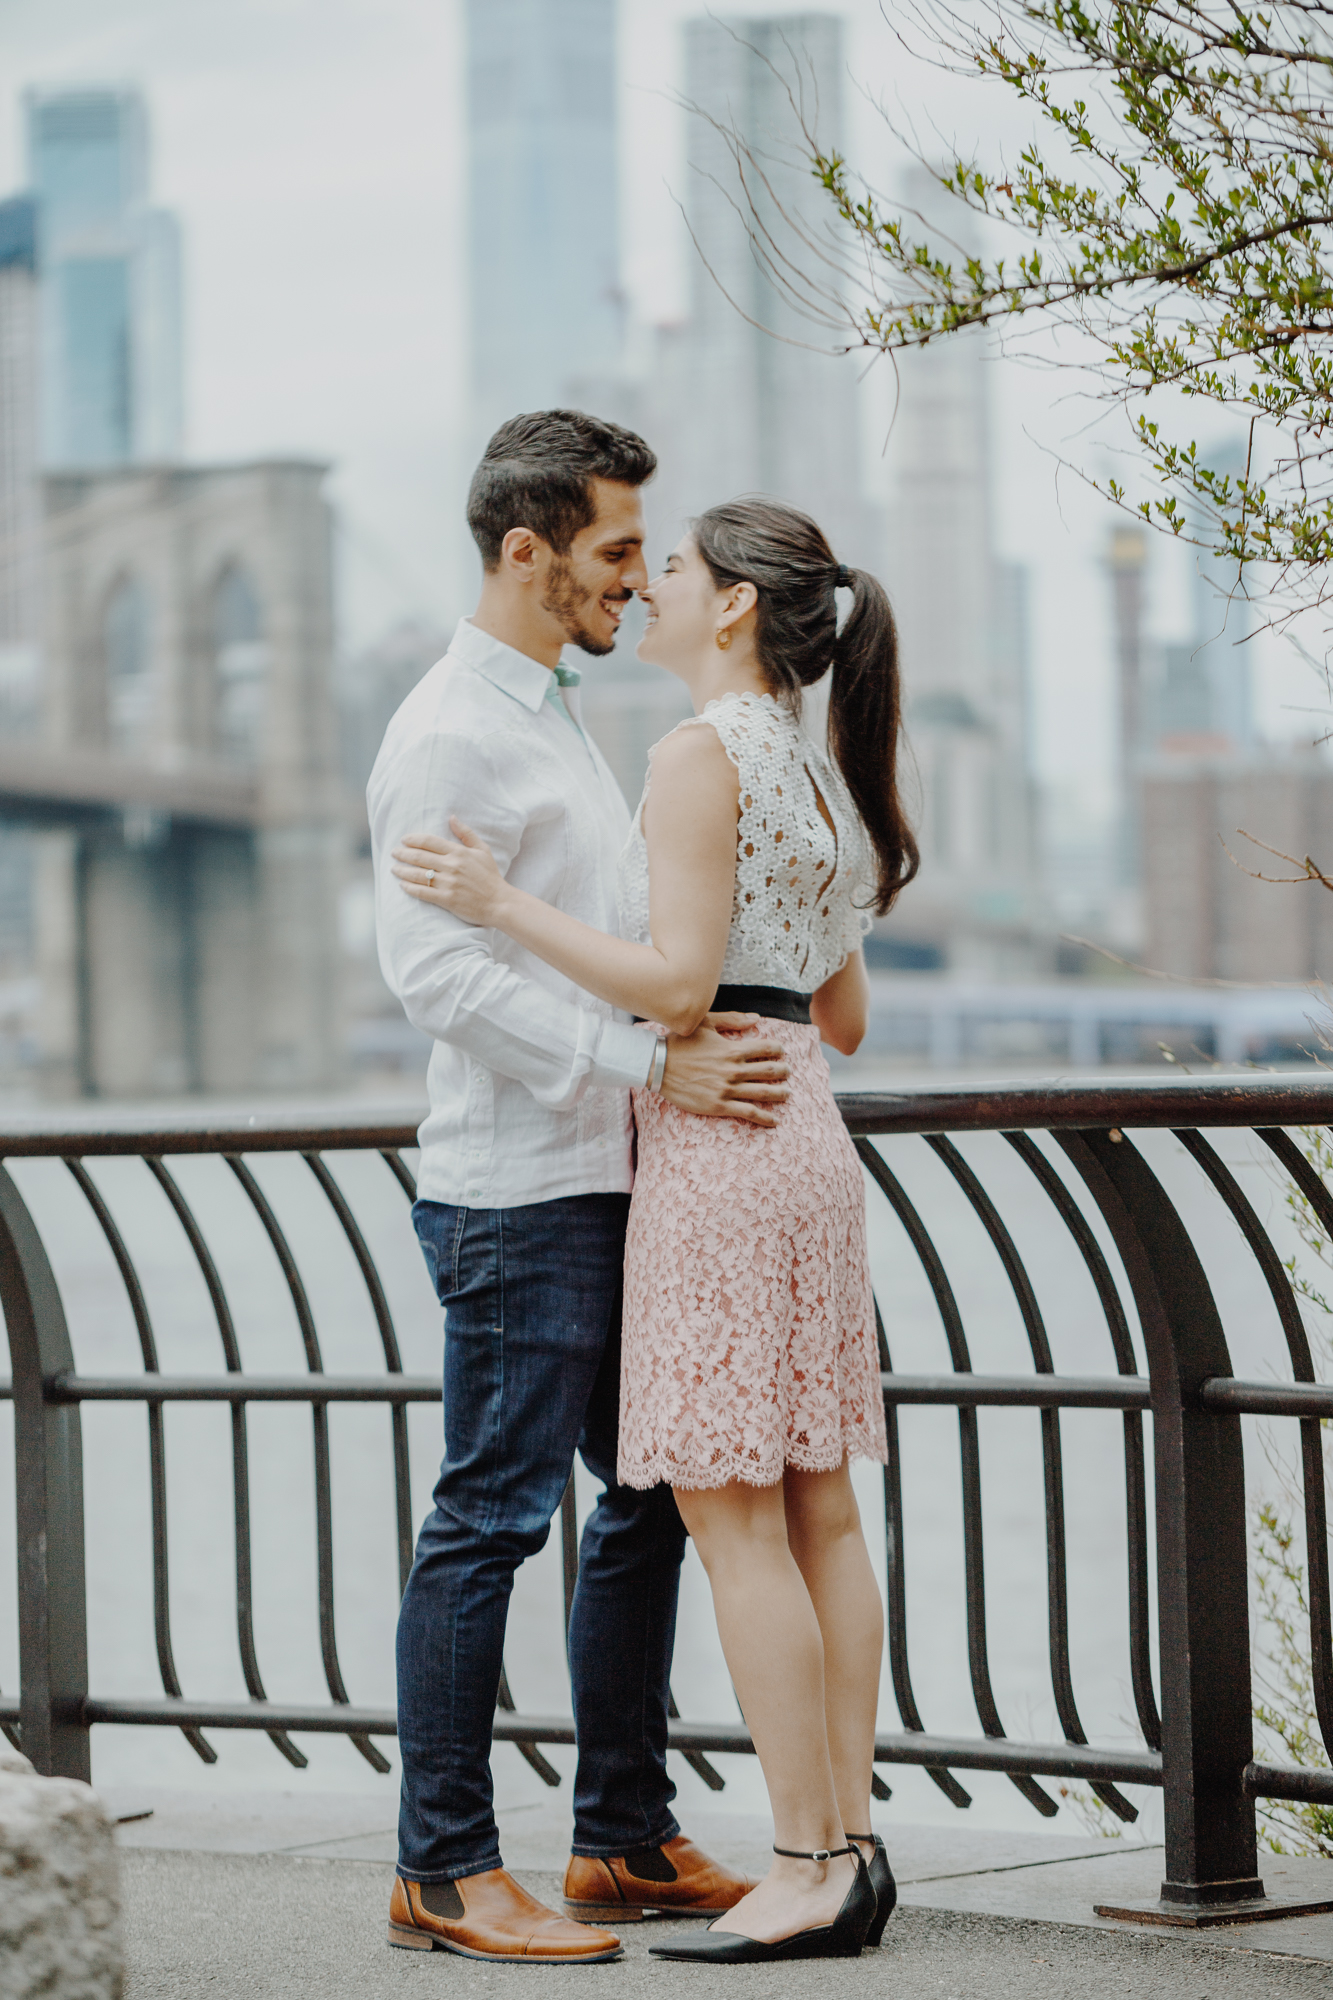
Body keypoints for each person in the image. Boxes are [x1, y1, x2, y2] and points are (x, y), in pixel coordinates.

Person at [393, 496, 919, 1963]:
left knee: (728, 1513)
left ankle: (804, 1862)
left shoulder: (696, 754)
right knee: (818, 1507)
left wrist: (502, 901)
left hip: (712, 1144)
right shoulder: (815, 772)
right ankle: (854, 1847)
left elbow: (680, 992)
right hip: (803, 1130)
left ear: (737, 605)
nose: (658, 582)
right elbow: (848, 1019)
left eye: (674, 565)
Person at [369, 412, 794, 1965]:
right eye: (618, 548)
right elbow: (433, 973)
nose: (638, 573)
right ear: (525, 550)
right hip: (516, 1191)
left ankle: (618, 1836)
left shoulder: (552, 714)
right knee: (486, 1517)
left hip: (613, 1179)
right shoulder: (446, 734)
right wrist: (644, 1069)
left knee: (649, 1495)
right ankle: (441, 1867)